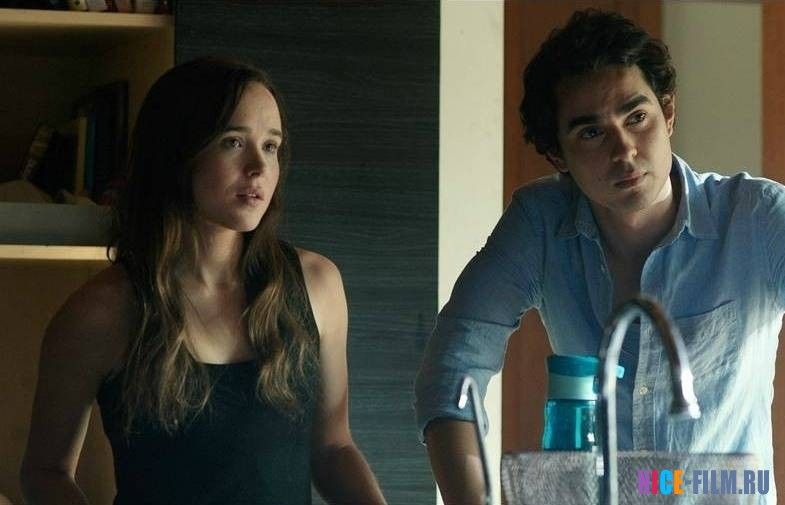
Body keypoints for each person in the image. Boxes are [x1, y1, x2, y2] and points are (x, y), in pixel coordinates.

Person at [415, 9, 784, 505]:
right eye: (591, 133)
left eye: (637, 118)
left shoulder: (758, 218)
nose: (624, 150)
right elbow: (453, 367)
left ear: (668, 114)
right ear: (557, 156)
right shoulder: (540, 223)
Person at [20, 57, 387, 505]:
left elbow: (333, 449)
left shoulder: (317, 284)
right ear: (179, 152)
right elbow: (45, 472)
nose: (259, 167)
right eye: (234, 142)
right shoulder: (100, 312)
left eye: (271, 146)